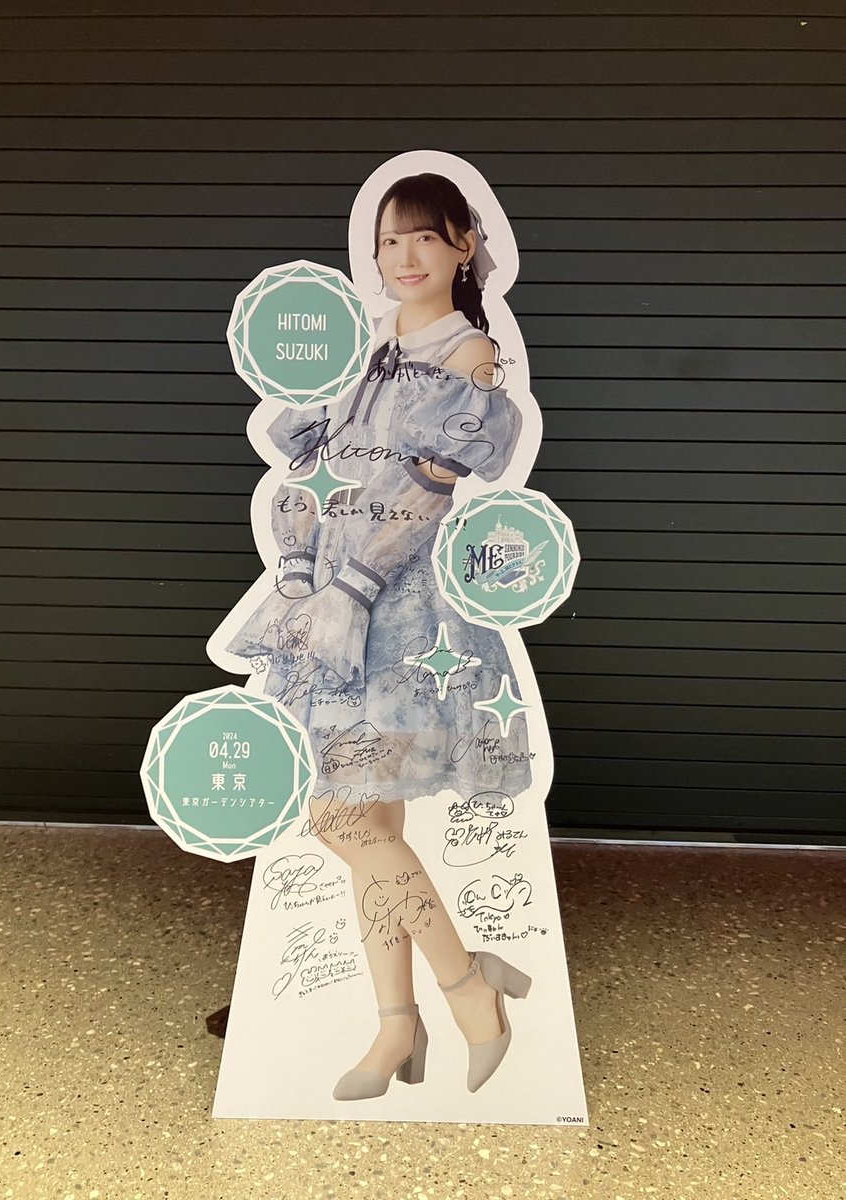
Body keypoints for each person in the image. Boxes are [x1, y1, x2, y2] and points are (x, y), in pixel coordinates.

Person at [226, 172, 536, 1099]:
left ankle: (466, 989)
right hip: (331, 601)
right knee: (368, 821)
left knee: (343, 818)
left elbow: (426, 494)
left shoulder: (469, 356)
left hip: (397, 614)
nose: (404, 257)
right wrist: (297, 573)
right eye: (390, 240)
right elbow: (309, 473)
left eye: (425, 238)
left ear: (463, 246)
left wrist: (350, 588)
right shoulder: (364, 349)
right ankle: (400, 1021)